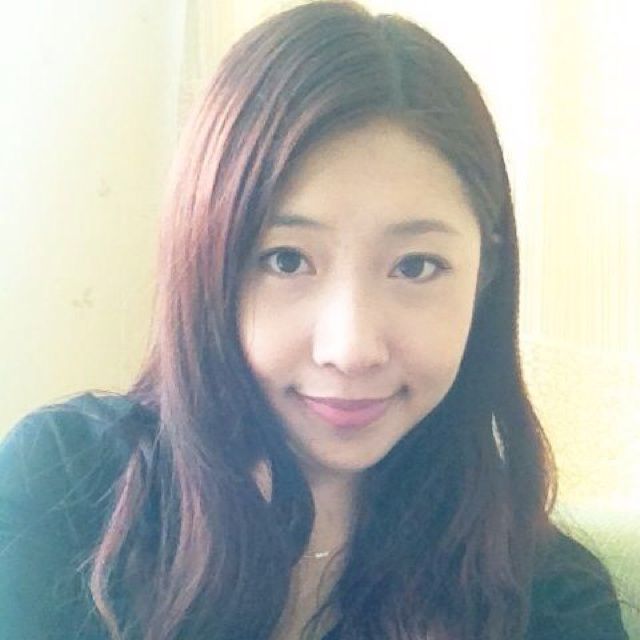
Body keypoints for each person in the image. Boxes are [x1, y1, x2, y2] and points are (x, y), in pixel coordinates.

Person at [0, 2, 631, 639]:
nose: (350, 348)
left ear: (484, 275)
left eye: (415, 266)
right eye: (286, 259)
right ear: (206, 263)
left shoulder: (552, 599)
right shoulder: (61, 489)